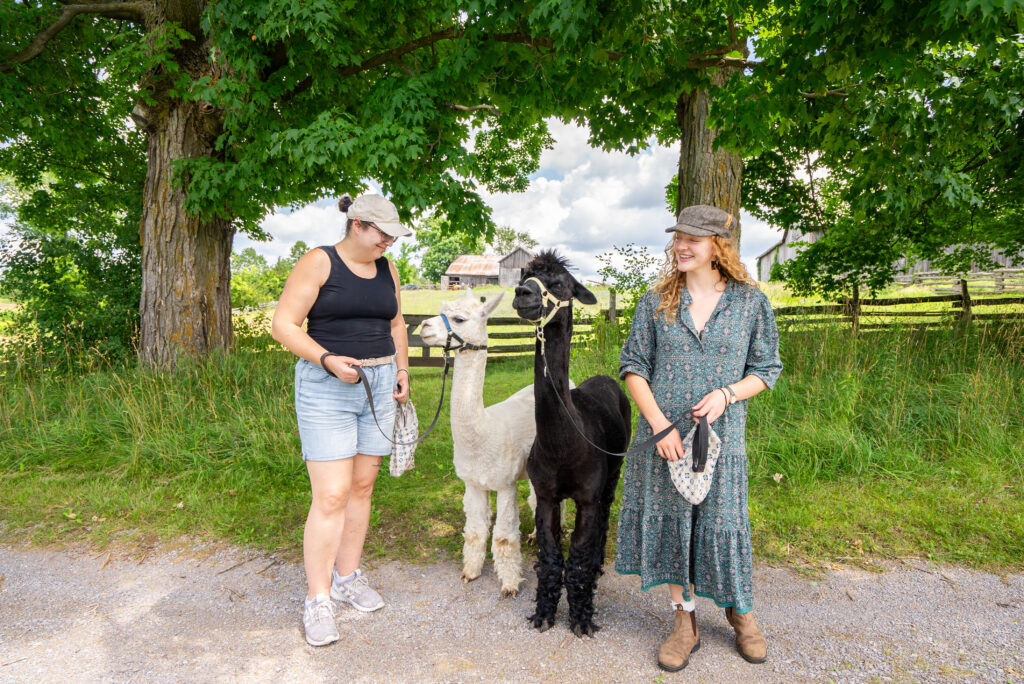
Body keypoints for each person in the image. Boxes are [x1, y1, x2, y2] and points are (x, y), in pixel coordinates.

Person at [615, 205, 783, 672]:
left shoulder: (750, 302)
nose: (682, 246)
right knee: (672, 523)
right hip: (665, 440)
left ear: (719, 247)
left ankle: (739, 610)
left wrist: (728, 394)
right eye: (678, 237)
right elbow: (633, 366)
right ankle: (684, 622)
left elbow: (767, 370)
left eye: (694, 238)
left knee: (723, 521)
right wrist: (659, 424)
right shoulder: (655, 302)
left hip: (721, 440)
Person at [271, 193, 412, 647]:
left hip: (379, 381)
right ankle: (318, 598)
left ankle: (348, 576)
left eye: (393, 235)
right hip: (326, 385)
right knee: (330, 495)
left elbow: (396, 326)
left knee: (361, 487)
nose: (389, 242)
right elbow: (284, 325)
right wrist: (327, 358)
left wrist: (402, 370)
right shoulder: (319, 261)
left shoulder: (388, 268)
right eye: (382, 234)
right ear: (357, 225)